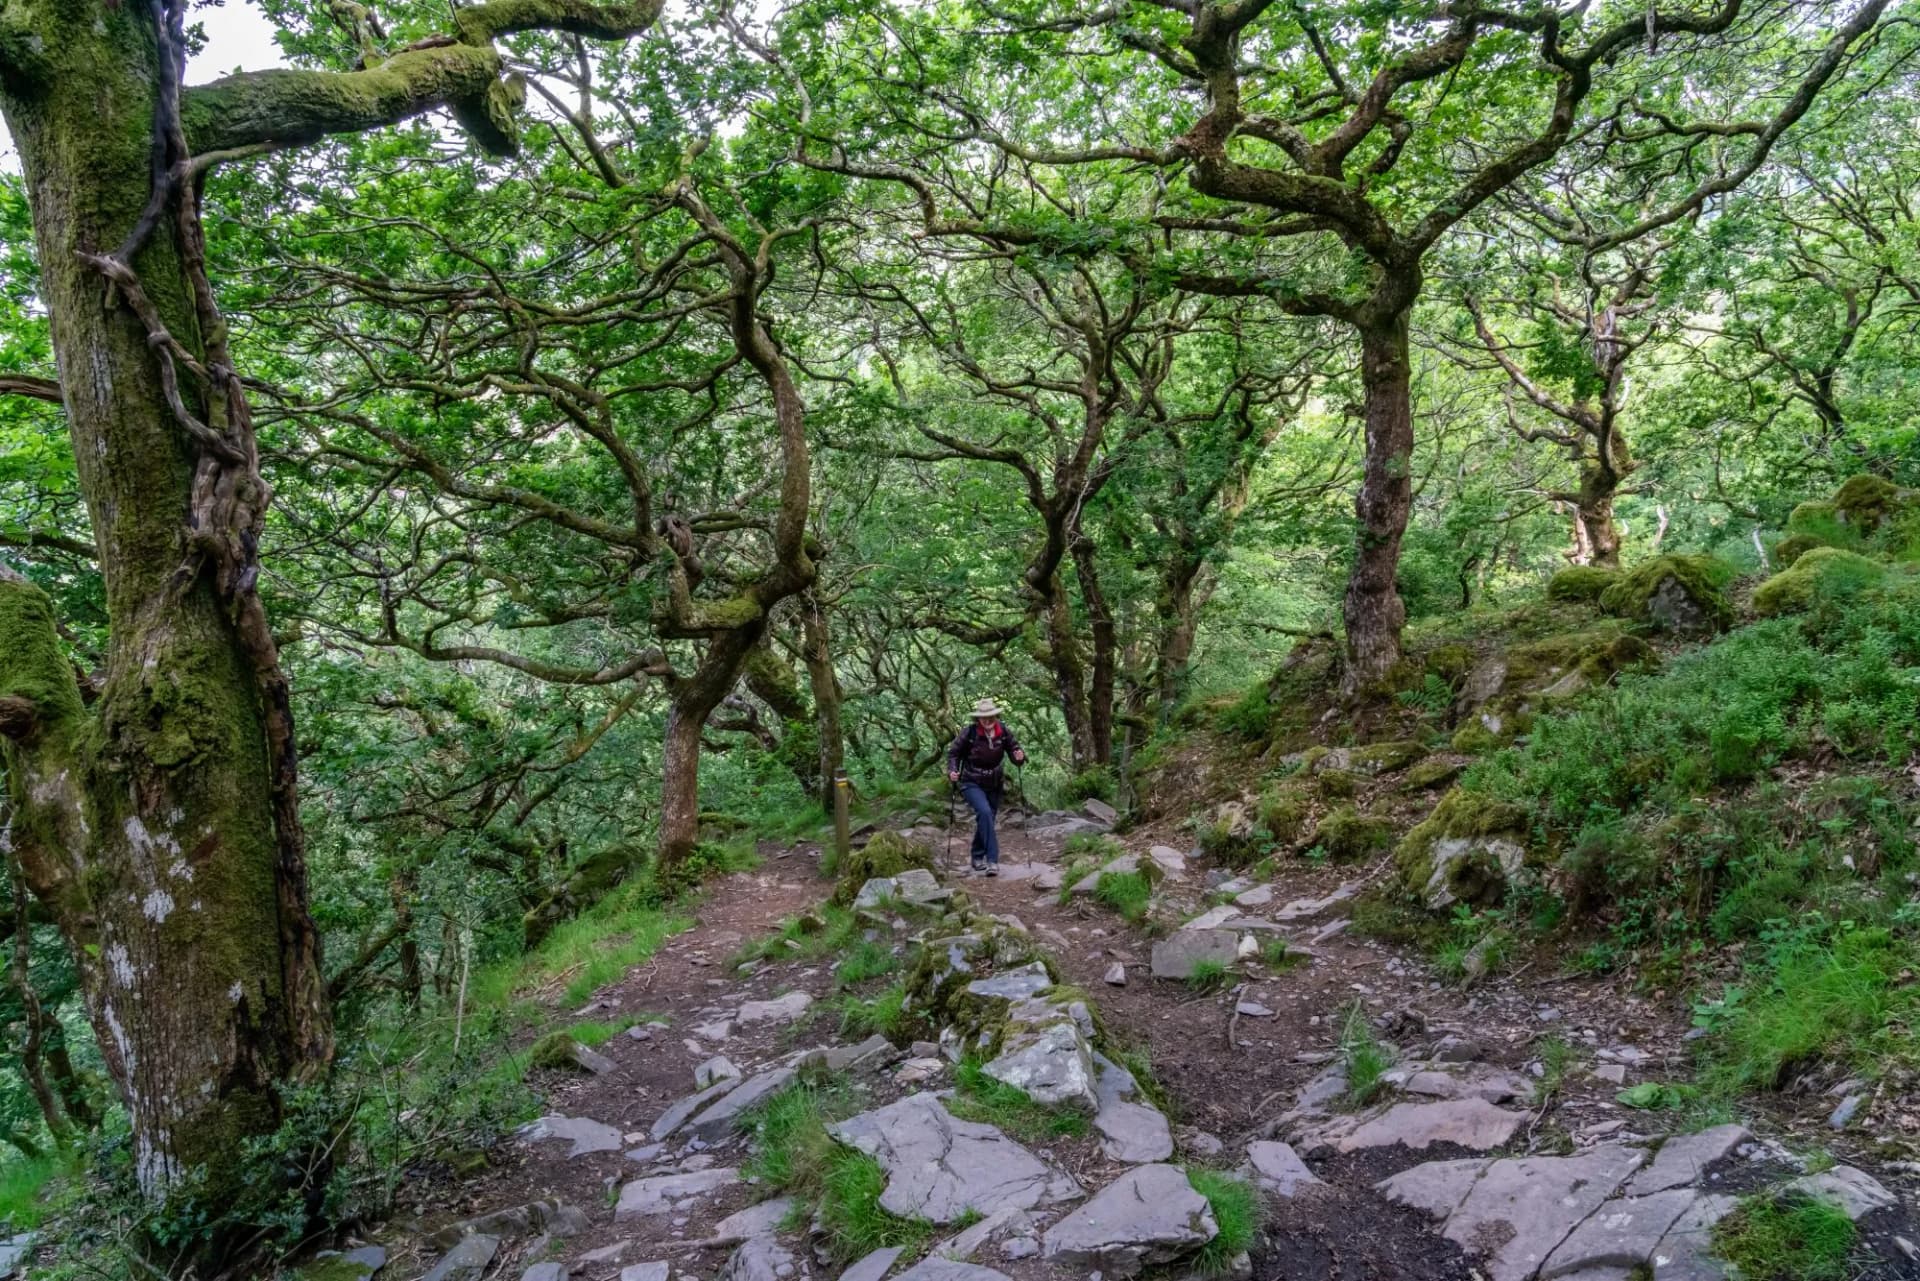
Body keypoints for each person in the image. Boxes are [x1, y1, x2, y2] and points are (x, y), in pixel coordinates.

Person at [947, 697, 1027, 875]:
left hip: (995, 783)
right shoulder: (970, 733)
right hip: (971, 781)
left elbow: (1015, 752)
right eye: (984, 717)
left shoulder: (1003, 731)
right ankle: (992, 860)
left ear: (996, 716)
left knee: (987, 819)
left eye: (991, 716)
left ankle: (976, 856)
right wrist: (952, 771)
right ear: (978, 719)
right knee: (984, 813)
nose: (987, 720)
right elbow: (954, 753)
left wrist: (1019, 757)